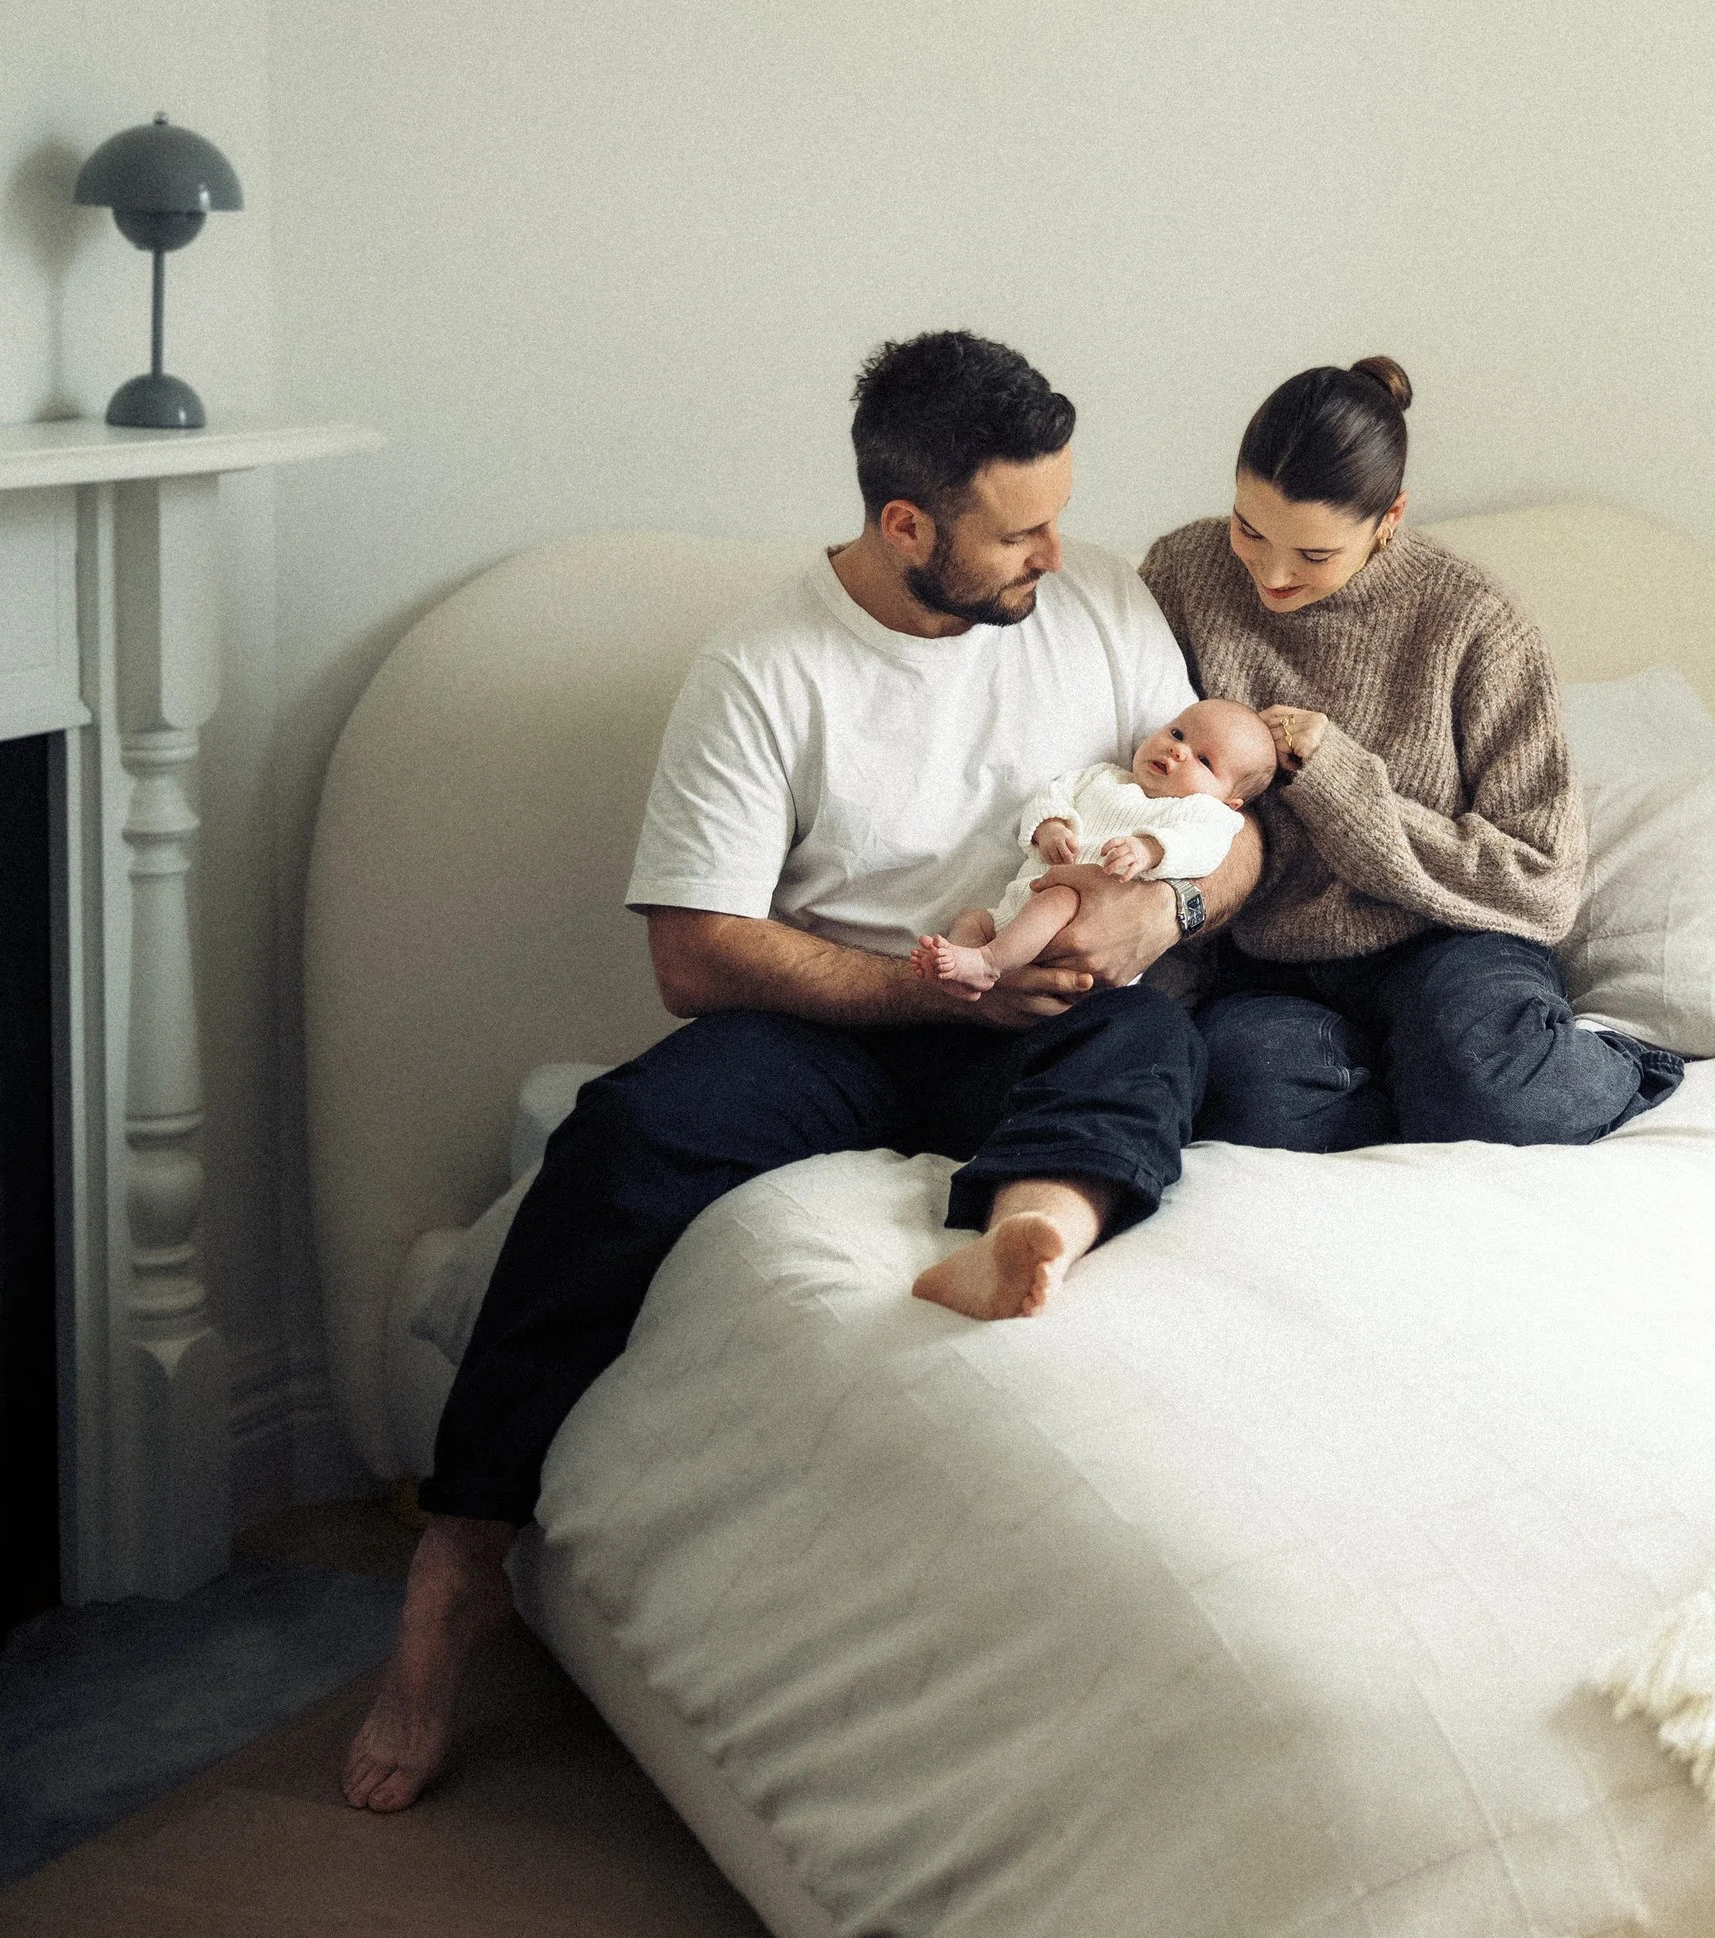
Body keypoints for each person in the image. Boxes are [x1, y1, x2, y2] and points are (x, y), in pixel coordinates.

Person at [343, 331, 1261, 1814]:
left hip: (1034, 1007)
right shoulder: (766, 667)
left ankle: (1033, 1227)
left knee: (1153, 1039)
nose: (1054, 549)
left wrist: (1166, 910)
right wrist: (919, 989)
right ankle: (456, 1556)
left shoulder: (1098, 599)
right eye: (1017, 527)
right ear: (908, 526)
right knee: (625, 1137)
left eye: (1057, 511)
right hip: (847, 1021)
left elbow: (1229, 827)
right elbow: (696, 954)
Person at [1141, 354, 1682, 1151]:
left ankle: (1613, 1069)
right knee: (1242, 1101)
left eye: (1315, 555)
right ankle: (1417, 1078)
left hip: (1449, 946)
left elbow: (1541, 883)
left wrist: (1338, 782)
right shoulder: (1185, 574)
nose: (1271, 571)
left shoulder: (1478, 625)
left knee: (1492, 1093)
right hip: (1273, 960)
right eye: (1249, 528)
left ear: (1389, 518)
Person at [912, 698, 1278, 999]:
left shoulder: (1205, 813)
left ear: (1230, 801)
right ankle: (964, 972)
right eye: (1177, 733)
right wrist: (1051, 827)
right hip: (1014, 910)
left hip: (1081, 926)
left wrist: (1150, 850)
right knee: (972, 919)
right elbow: (1053, 795)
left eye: (1204, 760)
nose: (1178, 750)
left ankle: (988, 963)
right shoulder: (1103, 776)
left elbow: (1204, 847)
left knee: (1058, 897)